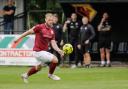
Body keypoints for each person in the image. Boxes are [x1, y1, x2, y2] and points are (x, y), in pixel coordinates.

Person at [14, 13, 64, 83]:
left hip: (43, 52)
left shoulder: (51, 31)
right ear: (45, 20)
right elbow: (28, 32)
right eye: (49, 20)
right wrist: (18, 38)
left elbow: (53, 43)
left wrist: (59, 50)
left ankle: (25, 75)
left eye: (52, 20)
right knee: (55, 60)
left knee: (38, 68)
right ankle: (50, 75)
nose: (51, 21)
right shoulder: (39, 27)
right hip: (38, 51)